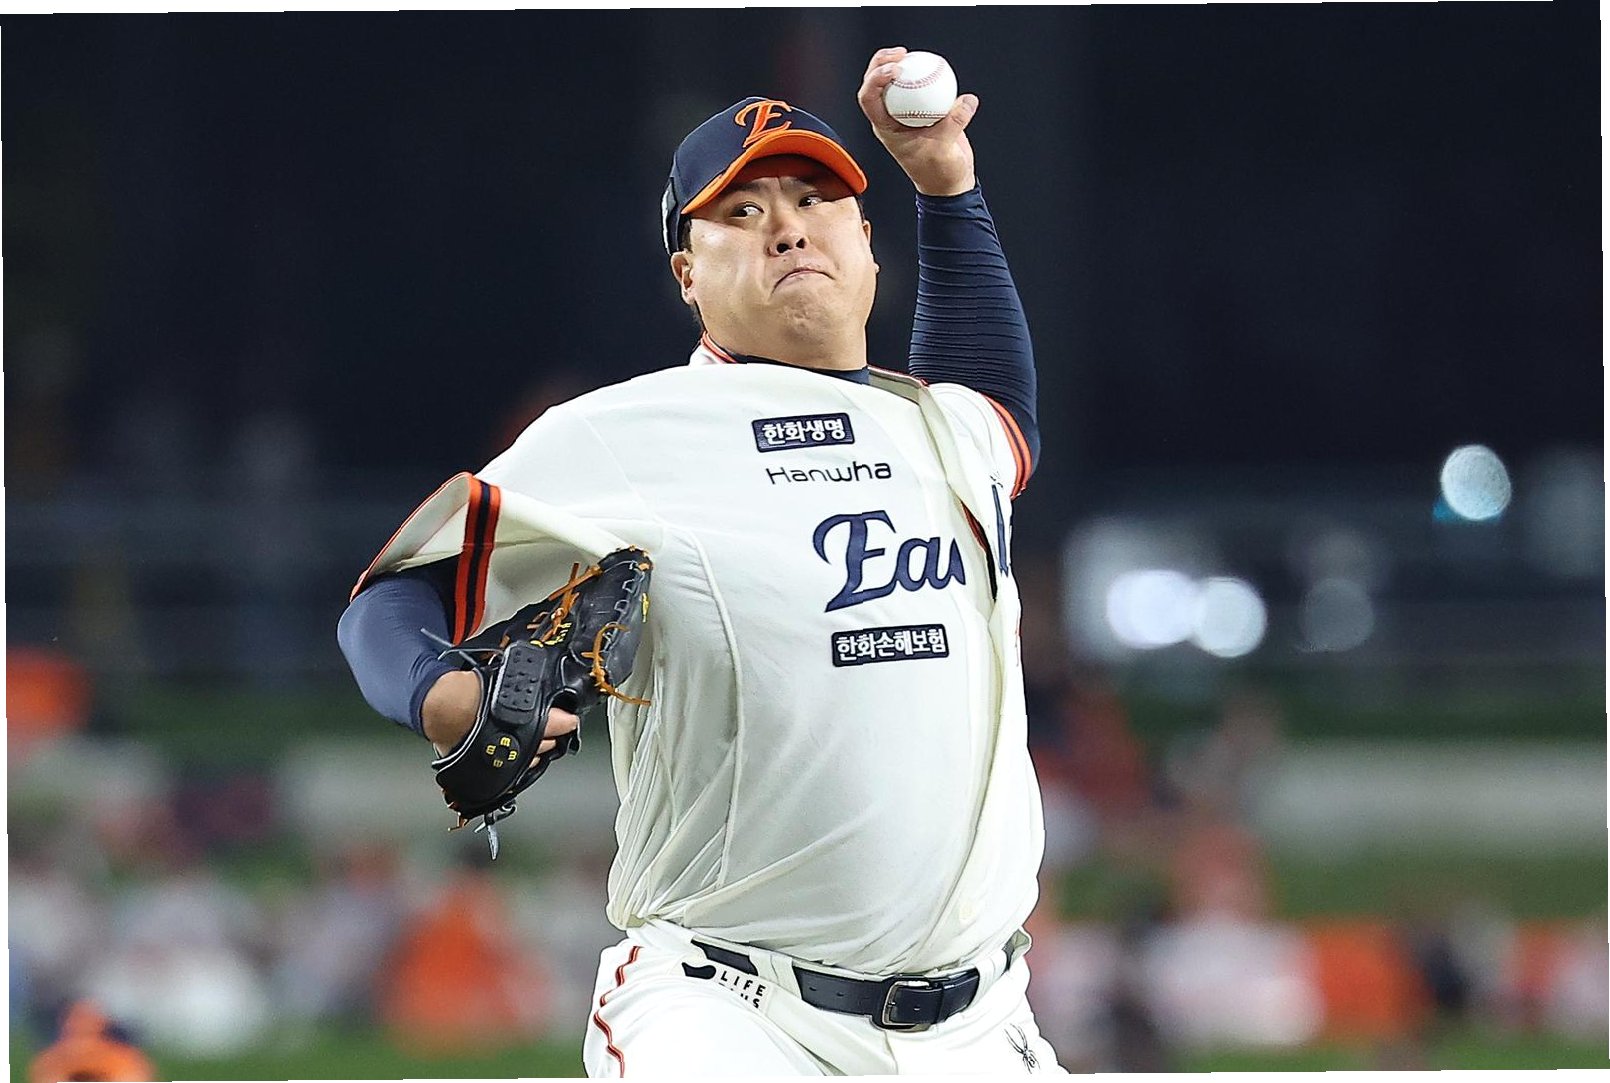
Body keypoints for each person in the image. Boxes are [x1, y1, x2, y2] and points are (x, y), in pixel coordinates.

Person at [338, 47, 1061, 1075]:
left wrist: (946, 186)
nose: (786, 225)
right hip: (734, 1014)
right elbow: (390, 596)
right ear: (687, 274)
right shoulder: (625, 435)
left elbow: (995, 393)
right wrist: (438, 691)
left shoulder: (947, 430)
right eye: (741, 211)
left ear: (866, 243)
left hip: (977, 1026)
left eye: (813, 199)